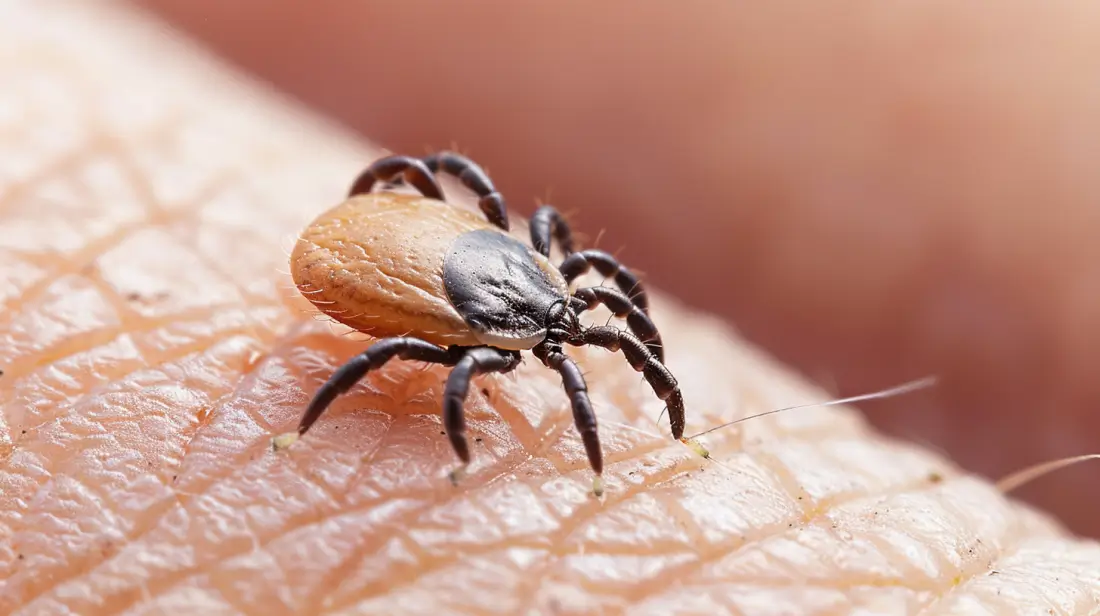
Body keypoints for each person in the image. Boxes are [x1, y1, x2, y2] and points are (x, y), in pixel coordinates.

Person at [3, 1, 1099, 612]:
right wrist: (485, 449)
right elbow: (555, 335)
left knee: (474, 196)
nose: (575, 333)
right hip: (404, 268)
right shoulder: (506, 348)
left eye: (570, 312)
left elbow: (496, 223)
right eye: (555, 334)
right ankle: (384, 435)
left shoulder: (549, 291)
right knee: (531, 306)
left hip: (452, 253)